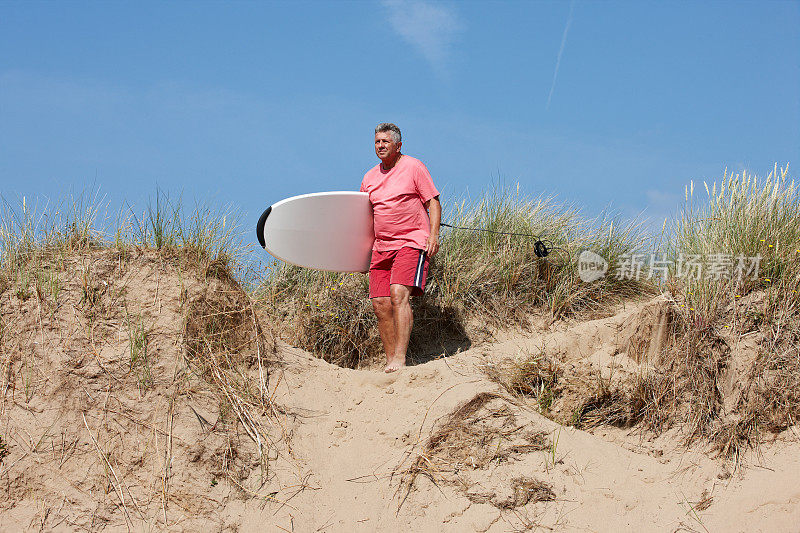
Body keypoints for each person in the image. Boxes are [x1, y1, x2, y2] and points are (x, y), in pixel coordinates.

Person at [360, 123, 441, 373]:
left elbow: (433, 202)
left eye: (385, 141)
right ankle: (390, 361)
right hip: (381, 247)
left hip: (411, 240)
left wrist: (434, 235)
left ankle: (400, 358)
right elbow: (362, 217)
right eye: (377, 142)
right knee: (380, 303)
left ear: (398, 145)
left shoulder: (414, 167)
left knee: (398, 294)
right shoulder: (369, 177)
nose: (380, 146)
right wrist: (359, 255)